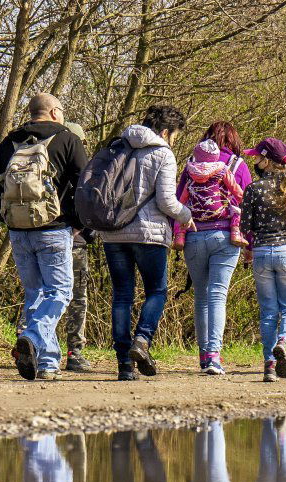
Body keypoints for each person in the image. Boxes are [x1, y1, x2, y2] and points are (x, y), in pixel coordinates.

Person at [0, 92, 87, 381]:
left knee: (36, 294)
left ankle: (47, 363)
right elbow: (85, 186)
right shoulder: (68, 139)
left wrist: (8, 218)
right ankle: (30, 334)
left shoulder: (10, 141)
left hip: (18, 232)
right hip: (54, 228)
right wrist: (78, 223)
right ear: (54, 112)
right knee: (60, 292)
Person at [97, 105, 192, 381]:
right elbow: (166, 202)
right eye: (173, 135)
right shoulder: (163, 153)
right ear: (165, 131)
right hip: (148, 234)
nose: (173, 140)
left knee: (122, 295)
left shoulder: (117, 145)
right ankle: (142, 340)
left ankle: (124, 365)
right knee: (157, 291)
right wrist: (186, 216)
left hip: (113, 233)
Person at [177, 137, 248, 376]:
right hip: (223, 236)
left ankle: (203, 354)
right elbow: (240, 194)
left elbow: (179, 201)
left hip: (194, 236)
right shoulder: (225, 169)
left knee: (201, 296)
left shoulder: (189, 170)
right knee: (218, 295)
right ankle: (214, 356)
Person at [243, 137, 286, 382]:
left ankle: (270, 365)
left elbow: (246, 225)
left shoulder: (254, 189)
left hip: (261, 252)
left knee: (269, 311)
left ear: (267, 161)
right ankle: (284, 341)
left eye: (257, 157)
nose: (255, 161)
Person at [60, 121, 93, 373]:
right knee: (77, 298)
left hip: (43, 236)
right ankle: (75, 353)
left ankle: (30, 342)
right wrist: (87, 231)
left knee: (41, 292)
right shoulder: (85, 169)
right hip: (76, 241)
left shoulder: (48, 163)